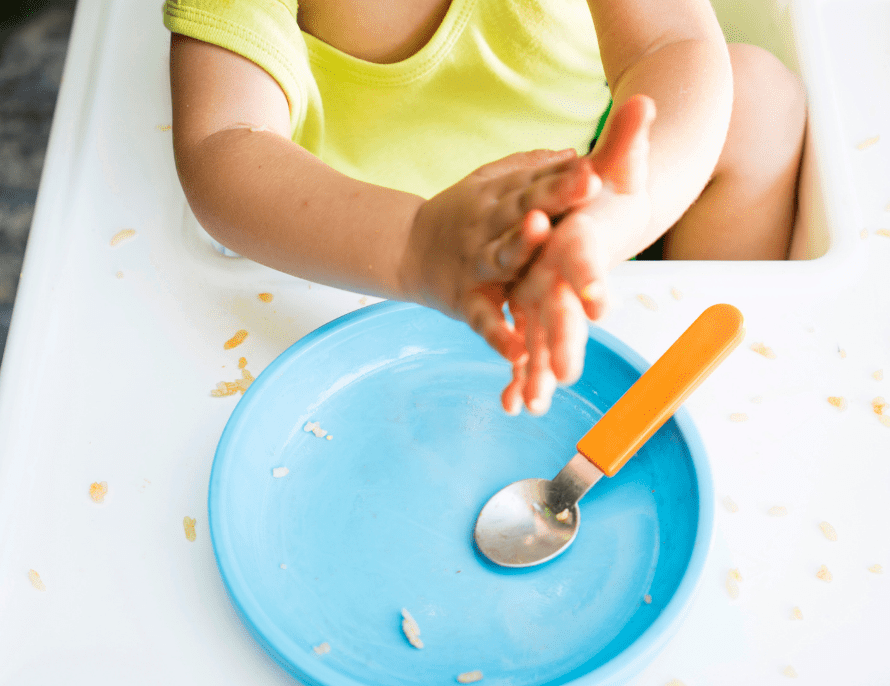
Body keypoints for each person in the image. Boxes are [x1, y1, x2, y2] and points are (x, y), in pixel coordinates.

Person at [163, 0, 806, 415]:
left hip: (582, 189)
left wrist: (608, 218)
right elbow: (222, 147)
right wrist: (413, 246)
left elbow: (670, 45)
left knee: (760, 101)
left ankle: (696, 399)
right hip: (357, 241)